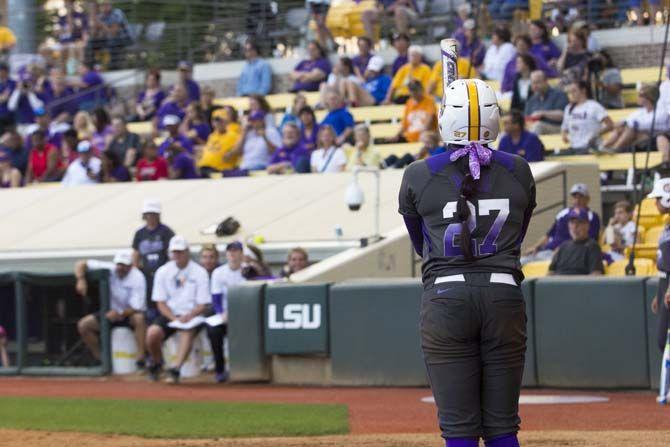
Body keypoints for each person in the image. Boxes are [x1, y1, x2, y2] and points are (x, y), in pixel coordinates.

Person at [399, 78, 536, 447]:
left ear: (445, 119)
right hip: (504, 293)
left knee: (459, 430)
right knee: (503, 428)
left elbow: (421, 243)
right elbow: (518, 236)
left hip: (446, 295)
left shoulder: (417, 174)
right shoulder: (519, 170)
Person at [146, 235, 210, 383]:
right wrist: (174, 319)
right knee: (152, 333)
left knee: (187, 330)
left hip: (193, 314)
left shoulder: (199, 272)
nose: (177, 255)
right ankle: (157, 363)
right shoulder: (163, 272)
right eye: (175, 252)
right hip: (171, 314)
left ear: (187, 252)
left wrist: (189, 316)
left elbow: (202, 304)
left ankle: (176, 368)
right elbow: (160, 302)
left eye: (180, 251)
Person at [74, 250, 147, 367]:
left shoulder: (137, 277)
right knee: (83, 325)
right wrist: (81, 279)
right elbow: (80, 264)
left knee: (139, 319)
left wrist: (120, 313)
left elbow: (137, 307)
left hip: (128, 314)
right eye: (118, 264)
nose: (120, 268)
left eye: (124, 265)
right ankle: (101, 360)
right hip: (109, 314)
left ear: (130, 266)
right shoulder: (110, 268)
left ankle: (141, 360)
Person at [523, 183, 600, 264]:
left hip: (566, 254)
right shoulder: (564, 213)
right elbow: (549, 235)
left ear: (588, 199)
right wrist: (535, 247)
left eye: (581, 197)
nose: (577, 200)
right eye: (574, 197)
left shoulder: (592, 216)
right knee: (520, 262)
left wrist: (564, 249)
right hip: (547, 250)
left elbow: (590, 240)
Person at [207, 241, 246, 383]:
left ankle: (242, 368)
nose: (233, 254)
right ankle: (219, 369)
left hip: (244, 315)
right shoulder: (219, 272)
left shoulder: (248, 270)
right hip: (225, 315)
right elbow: (216, 298)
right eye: (230, 251)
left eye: (236, 251)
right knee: (213, 331)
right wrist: (222, 314)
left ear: (241, 253)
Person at [131, 198, 175, 320]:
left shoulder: (166, 232)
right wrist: (135, 271)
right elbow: (136, 253)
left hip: (162, 274)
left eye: (153, 214)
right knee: (148, 306)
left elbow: (171, 253)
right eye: (148, 214)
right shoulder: (140, 233)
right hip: (146, 276)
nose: (150, 217)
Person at [603, 84, 669, 152]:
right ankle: (605, 146)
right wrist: (623, 123)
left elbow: (645, 124)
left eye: (640, 95)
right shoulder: (640, 111)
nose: (638, 97)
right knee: (621, 128)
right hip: (641, 137)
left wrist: (626, 123)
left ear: (649, 97)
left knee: (630, 129)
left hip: (654, 138)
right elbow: (627, 120)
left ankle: (615, 148)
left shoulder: (661, 111)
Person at [648, 178, 670, 355]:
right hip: (665, 283)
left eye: (658, 198)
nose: (655, 202)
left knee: (664, 340)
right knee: (663, 342)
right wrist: (660, 293)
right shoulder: (667, 225)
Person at [548, 208, 604, 276]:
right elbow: (550, 272)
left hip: (579, 285)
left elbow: (596, 275)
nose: (575, 226)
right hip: (557, 284)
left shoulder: (593, 246)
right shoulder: (563, 247)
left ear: (587, 225)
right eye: (572, 222)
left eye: (579, 222)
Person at [561, 80, 614, 153]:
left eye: (574, 91)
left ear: (583, 90)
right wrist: (564, 135)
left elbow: (610, 125)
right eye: (569, 92)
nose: (571, 94)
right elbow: (564, 127)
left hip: (589, 147)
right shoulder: (568, 108)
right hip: (574, 146)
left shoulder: (594, 106)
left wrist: (596, 134)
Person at [86, 0, 132, 69]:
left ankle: (114, 67)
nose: (104, 7)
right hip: (109, 39)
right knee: (91, 42)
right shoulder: (102, 16)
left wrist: (101, 25)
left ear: (111, 4)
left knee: (112, 41)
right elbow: (95, 34)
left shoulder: (117, 13)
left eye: (106, 4)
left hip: (124, 39)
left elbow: (114, 32)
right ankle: (91, 67)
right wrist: (94, 23)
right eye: (103, 5)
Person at [198, 106, 241, 176]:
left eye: (221, 121)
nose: (218, 123)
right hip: (204, 168)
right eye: (215, 120)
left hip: (220, 170)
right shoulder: (212, 136)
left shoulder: (234, 136)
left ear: (226, 121)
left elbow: (236, 152)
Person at [524, 70, 569, 135]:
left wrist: (543, 113)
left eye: (538, 82)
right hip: (533, 127)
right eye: (533, 83)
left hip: (557, 127)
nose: (535, 86)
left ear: (546, 81)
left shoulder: (558, 94)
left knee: (538, 126)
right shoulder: (531, 100)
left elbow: (563, 115)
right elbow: (527, 119)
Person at [0, 62, 16, 134]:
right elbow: (3, 98)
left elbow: (8, 97)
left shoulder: (12, 83)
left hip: (11, 114)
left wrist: (4, 97)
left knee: (10, 135)